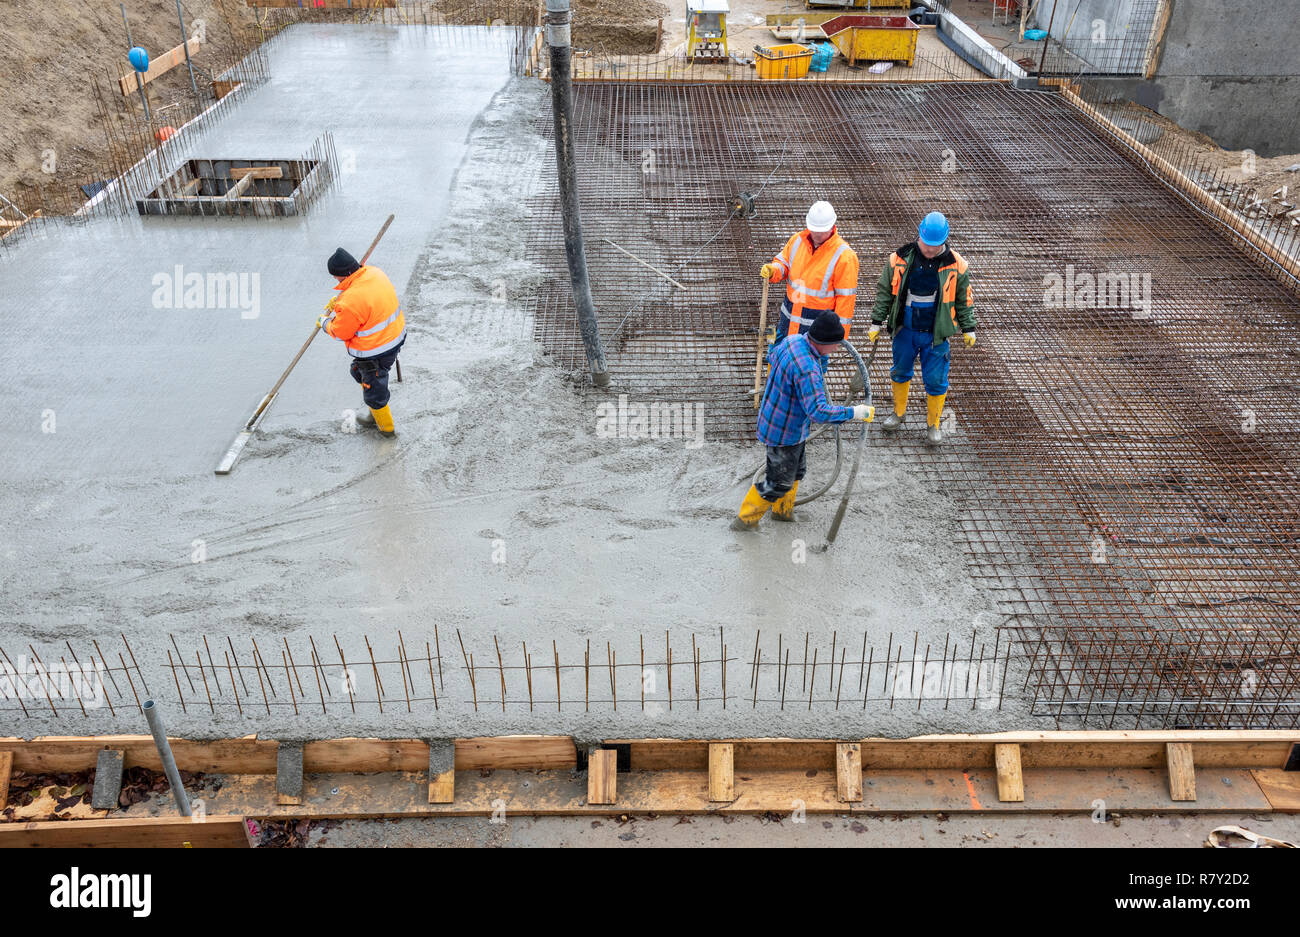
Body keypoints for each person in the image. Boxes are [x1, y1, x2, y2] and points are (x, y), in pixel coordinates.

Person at [733, 311, 873, 531]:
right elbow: (818, 412)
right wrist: (854, 413)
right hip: (782, 433)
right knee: (778, 482)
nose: (837, 348)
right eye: (834, 344)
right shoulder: (807, 369)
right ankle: (744, 521)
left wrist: (771, 339)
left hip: (781, 423)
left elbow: (772, 355)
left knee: (796, 471)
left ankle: (782, 512)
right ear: (823, 343)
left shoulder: (793, 340)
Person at [867, 211, 974, 446]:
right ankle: (898, 413)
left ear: (944, 241)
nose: (929, 249)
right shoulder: (900, 258)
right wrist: (877, 321)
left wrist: (969, 328)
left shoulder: (957, 265)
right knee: (900, 371)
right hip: (905, 330)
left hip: (935, 336)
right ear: (920, 236)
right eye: (926, 244)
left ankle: (933, 425)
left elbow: (963, 299)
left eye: (935, 246)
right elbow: (885, 291)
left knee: (936, 380)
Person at [317, 247, 406, 438]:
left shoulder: (350, 301)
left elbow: (341, 332)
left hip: (377, 350)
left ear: (341, 275)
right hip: (395, 336)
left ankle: (387, 432)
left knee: (374, 391)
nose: (335, 281)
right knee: (357, 372)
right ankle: (374, 416)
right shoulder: (374, 273)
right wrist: (339, 300)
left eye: (335, 277)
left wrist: (324, 323)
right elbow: (365, 300)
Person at [761, 200, 859, 346]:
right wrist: (773, 270)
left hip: (816, 336)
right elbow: (783, 264)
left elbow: (845, 300)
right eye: (815, 230)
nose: (817, 235)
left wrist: (837, 338)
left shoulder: (844, 257)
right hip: (787, 325)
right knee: (778, 362)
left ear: (832, 227)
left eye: (822, 231)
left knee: (809, 369)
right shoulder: (797, 241)